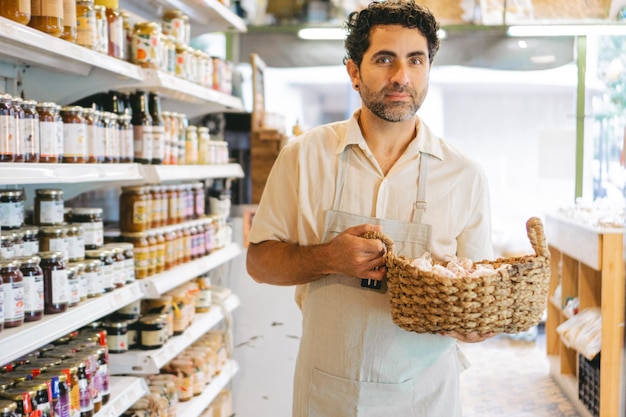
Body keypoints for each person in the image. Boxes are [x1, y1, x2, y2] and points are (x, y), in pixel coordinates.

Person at [246, 0, 495, 415]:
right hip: (327, 389)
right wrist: (329, 257)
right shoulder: (303, 157)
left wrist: (473, 322)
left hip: (425, 395)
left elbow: (477, 300)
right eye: (385, 59)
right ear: (353, 72)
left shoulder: (464, 175)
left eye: (416, 60)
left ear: (429, 70)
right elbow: (259, 263)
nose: (401, 77)